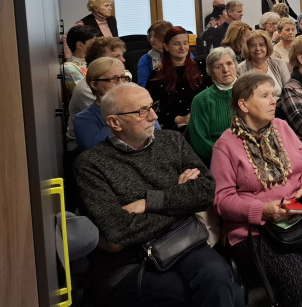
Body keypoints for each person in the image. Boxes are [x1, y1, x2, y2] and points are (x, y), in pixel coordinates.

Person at [73, 84, 243, 307]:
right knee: (200, 294)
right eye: (141, 111)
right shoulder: (90, 164)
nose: (153, 116)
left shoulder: (172, 141)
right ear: (114, 122)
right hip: (131, 260)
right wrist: (180, 201)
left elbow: (206, 192)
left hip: (184, 241)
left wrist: (148, 203)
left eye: (152, 107)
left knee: (219, 279)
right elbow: (117, 232)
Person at [212, 73, 302, 307]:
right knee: (298, 280)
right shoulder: (225, 145)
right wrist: (262, 211)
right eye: (265, 96)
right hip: (257, 230)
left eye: (273, 95)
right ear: (244, 105)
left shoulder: (281, 126)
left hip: (301, 214)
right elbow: (222, 200)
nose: (274, 101)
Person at [74, 57, 159, 152]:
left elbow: (158, 136)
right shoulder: (84, 118)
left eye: (123, 77)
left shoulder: (141, 106)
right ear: (94, 85)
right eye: (113, 79)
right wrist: (115, 114)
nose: (121, 83)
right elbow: (92, 151)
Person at [146, 26, 207, 130]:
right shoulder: (157, 75)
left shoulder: (203, 67)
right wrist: (179, 119)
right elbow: (151, 107)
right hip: (173, 127)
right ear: (166, 46)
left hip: (204, 121)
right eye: (176, 44)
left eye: (185, 43)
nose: (182, 47)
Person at [67, 37, 128, 139]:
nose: (123, 60)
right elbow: (112, 121)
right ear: (99, 61)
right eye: (116, 57)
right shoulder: (86, 89)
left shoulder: (121, 81)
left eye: (122, 55)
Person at [189, 47, 238, 164]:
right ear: (210, 72)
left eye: (229, 63)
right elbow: (199, 142)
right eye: (218, 67)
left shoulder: (251, 92)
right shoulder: (201, 100)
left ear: (236, 66)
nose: (225, 70)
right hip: (219, 160)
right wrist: (228, 157)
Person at [236, 30, 291, 99]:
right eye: (252, 46)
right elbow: (243, 96)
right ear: (247, 48)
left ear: (267, 47)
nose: (257, 48)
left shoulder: (279, 63)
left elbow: (289, 90)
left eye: (262, 45)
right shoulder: (240, 69)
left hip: (281, 103)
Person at [63, 25, 100, 103]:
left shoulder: (97, 61)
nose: (97, 46)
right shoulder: (69, 67)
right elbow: (84, 95)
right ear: (79, 45)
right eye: (93, 43)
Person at [137, 20, 172, 87]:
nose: (151, 39)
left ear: (166, 37)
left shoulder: (182, 54)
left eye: (155, 36)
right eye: (150, 36)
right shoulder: (145, 59)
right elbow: (143, 86)